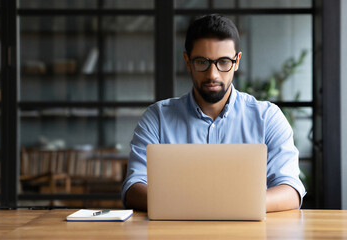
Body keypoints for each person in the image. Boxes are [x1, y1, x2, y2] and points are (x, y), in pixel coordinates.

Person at [121, 14, 306, 212]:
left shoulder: (268, 117)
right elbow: (133, 187)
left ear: (237, 62)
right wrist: (204, 205)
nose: (213, 74)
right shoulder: (157, 118)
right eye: (202, 62)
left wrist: (224, 205)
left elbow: (291, 191)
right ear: (187, 61)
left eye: (224, 62)